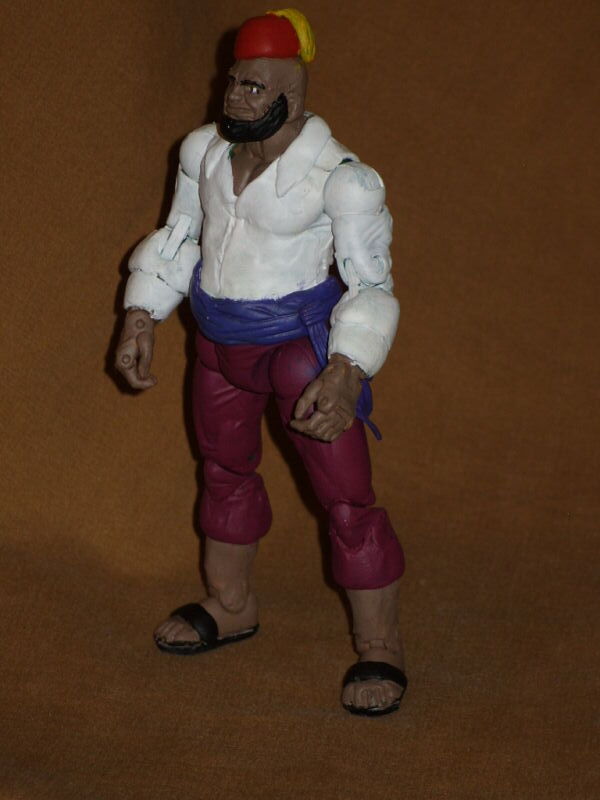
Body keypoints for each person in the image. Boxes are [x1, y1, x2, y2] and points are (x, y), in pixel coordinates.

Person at [116, 8, 407, 716]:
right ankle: (230, 602)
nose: (236, 97)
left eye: (253, 86)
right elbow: (179, 235)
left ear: (291, 95)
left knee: (346, 498)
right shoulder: (204, 153)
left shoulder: (343, 180)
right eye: (233, 81)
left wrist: (347, 368)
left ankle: (380, 646)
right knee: (222, 470)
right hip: (218, 344)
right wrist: (142, 312)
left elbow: (372, 285)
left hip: (299, 352)